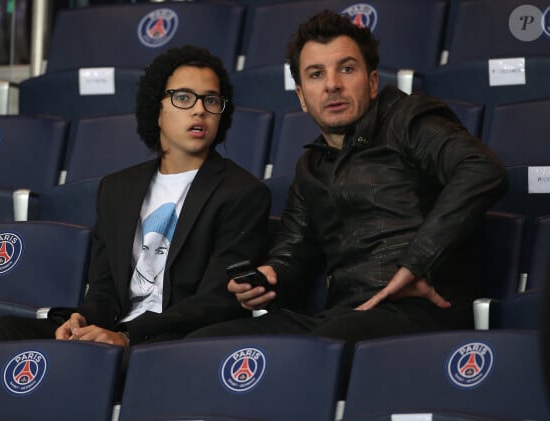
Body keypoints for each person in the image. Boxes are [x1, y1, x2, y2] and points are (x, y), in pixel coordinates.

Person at [187, 10, 507, 351]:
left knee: (319, 347)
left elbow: (481, 169)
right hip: (343, 315)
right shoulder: (310, 166)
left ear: (371, 82)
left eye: (346, 68)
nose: (332, 85)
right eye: (315, 74)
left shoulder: (409, 119)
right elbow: (292, 255)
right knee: (203, 344)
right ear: (301, 96)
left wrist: (416, 263)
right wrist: (269, 279)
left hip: (421, 308)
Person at [0, 45, 270, 347]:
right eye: (183, 98)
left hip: (176, 337)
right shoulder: (117, 189)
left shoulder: (242, 192)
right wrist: (83, 319)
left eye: (211, 100)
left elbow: (216, 301)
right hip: (115, 328)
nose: (199, 110)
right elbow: (104, 289)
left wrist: (127, 336)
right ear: (156, 109)